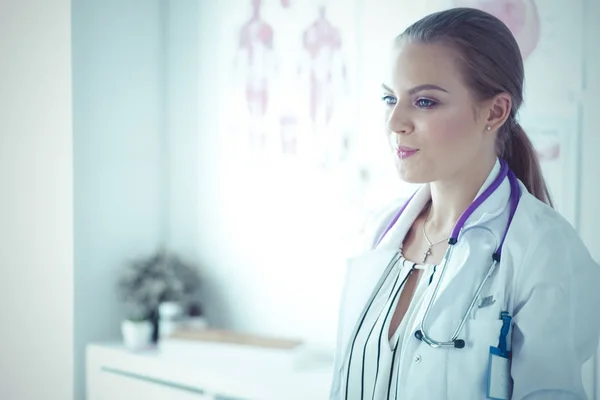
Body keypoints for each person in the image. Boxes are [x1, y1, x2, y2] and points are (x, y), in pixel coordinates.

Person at [329, 7, 600, 400]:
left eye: (424, 102)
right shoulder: (385, 230)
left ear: (495, 111)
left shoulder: (543, 251)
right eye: (390, 98)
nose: (394, 122)